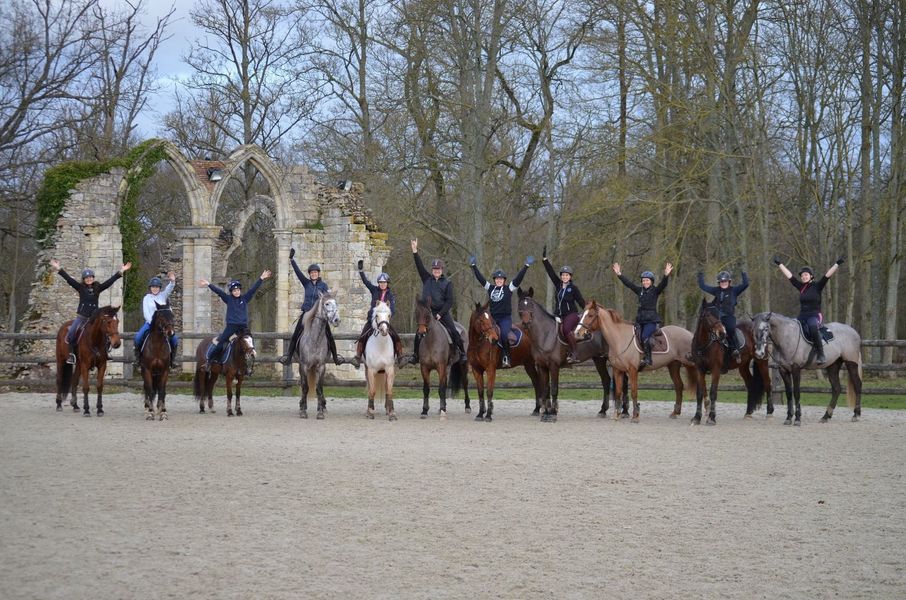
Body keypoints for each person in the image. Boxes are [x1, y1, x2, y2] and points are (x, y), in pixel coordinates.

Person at [50, 258, 131, 365]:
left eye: (90, 277)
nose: (89, 279)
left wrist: (121, 271)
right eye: (86, 278)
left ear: (93, 278)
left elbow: (109, 282)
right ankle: (71, 355)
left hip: (93, 319)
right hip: (81, 317)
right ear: (84, 279)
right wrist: (59, 268)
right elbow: (69, 279)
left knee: (104, 332)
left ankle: (105, 353)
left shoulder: (98, 288)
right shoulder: (80, 287)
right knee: (71, 333)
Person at [774, 256, 844, 364]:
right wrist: (780, 264)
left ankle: (821, 354)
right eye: (802, 275)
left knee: (812, 326)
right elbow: (790, 276)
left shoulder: (817, 286)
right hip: (802, 315)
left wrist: (837, 264)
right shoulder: (801, 287)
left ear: (811, 276)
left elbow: (827, 275)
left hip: (815, 315)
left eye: (806, 275)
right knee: (790, 327)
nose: (803, 277)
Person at [278, 249, 342, 365]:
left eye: (315, 272)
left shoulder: (323, 285)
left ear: (318, 273)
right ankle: (288, 357)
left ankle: (335, 357)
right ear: (310, 274)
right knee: (296, 333)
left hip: (319, 315)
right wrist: (292, 260)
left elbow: (328, 298)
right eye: (312, 273)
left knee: (329, 335)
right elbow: (298, 273)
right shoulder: (306, 283)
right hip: (307, 313)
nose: (313, 274)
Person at [199, 270, 272, 371]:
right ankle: (209, 361)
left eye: (238, 290)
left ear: (240, 291)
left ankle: (248, 366)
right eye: (234, 291)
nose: (236, 292)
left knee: (249, 341)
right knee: (220, 342)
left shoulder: (245, 299)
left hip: (243, 327)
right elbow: (219, 292)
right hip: (231, 326)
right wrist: (208, 284)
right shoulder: (228, 299)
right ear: (231, 292)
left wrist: (261, 278)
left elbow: (253, 290)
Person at [470, 254, 533, 367]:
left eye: (501, 279)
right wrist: (474, 266)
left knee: (504, 335)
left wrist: (526, 266)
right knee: (485, 332)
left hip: (505, 318)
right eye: (497, 279)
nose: (499, 280)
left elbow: (518, 279)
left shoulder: (509, 288)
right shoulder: (490, 288)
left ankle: (506, 357)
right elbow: (480, 279)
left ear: (504, 280)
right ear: (495, 280)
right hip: (493, 318)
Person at [410, 238, 466, 365]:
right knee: (418, 333)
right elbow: (419, 266)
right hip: (427, 313)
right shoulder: (426, 279)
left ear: (442, 270)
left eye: (438, 269)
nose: (436, 271)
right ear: (432, 270)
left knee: (453, 331)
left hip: (442, 312)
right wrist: (415, 251)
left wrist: (440, 314)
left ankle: (462, 353)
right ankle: (415, 355)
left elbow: (449, 301)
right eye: (434, 269)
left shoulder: (447, 283)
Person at [613, 261, 673, 367]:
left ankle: (648, 358)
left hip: (651, 321)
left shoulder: (655, 291)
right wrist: (619, 275)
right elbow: (629, 284)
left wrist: (666, 275)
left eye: (647, 280)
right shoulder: (639, 290)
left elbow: (663, 285)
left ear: (651, 281)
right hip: (640, 320)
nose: (645, 282)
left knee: (645, 336)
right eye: (644, 280)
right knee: (634, 336)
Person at [351, 259, 402, 368]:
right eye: (380, 282)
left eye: (384, 282)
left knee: (396, 337)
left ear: (387, 283)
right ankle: (358, 357)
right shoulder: (374, 290)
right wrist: (361, 271)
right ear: (378, 283)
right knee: (362, 336)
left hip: (384, 322)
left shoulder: (391, 296)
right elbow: (366, 282)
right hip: (372, 321)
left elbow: (392, 309)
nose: (382, 284)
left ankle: (400, 357)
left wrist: (386, 317)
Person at [541, 246, 586, 363]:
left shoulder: (574, 288)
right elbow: (551, 273)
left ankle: (575, 353)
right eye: (563, 275)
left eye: (567, 275)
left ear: (570, 277)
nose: (564, 277)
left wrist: (587, 312)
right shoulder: (558, 285)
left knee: (566, 329)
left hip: (571, 314)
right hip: (559, 315)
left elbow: (581, 302)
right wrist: (545, 260)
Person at [697, 269, 749, 361]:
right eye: (721, 282)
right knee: (703, 327)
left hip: (729, 317)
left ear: (729, 282)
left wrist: (744, 273)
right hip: (717, 317)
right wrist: (700, 275)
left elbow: (745, 284)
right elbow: (703, 286)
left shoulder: (734, 290)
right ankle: (699, 351)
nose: (723, 283)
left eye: (725, 281)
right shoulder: (716, 290)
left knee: (730, 329)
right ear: (719, 282)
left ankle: (735, 349)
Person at [133, 272, 179, 369]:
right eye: (153, 287)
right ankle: (138, 360)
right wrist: (153, 323)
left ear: (159, 288)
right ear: (150, 288)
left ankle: (172, 360)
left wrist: (172, 281)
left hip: (164, 325)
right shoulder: (146, 298)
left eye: (157, 287)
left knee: (174, 339)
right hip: (151, 324)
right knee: (137, 337)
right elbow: (146, 313)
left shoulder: (163, 295)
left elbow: (170, 288)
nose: (155, 288)